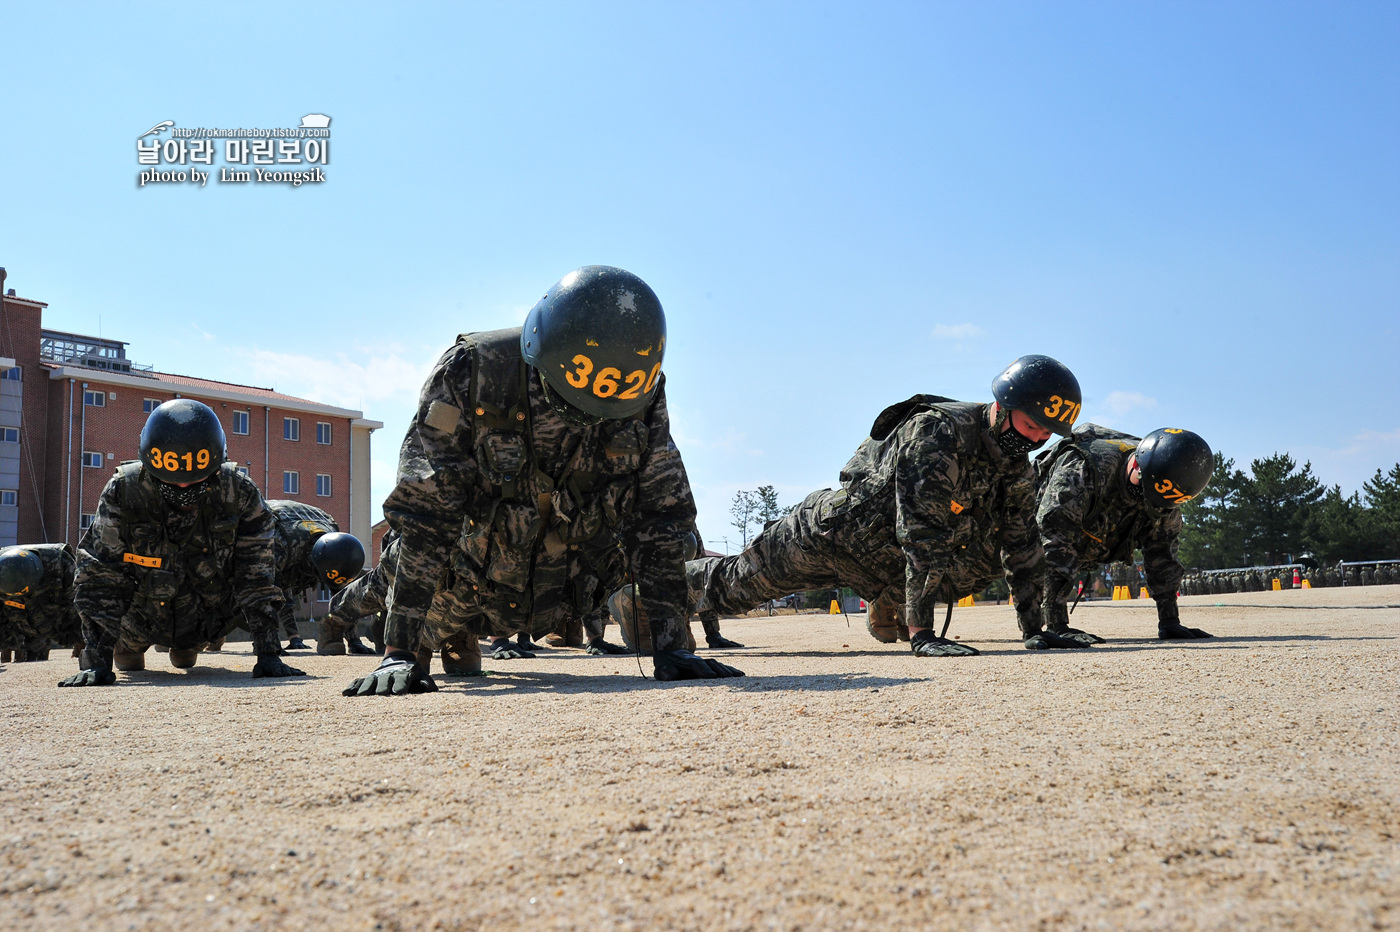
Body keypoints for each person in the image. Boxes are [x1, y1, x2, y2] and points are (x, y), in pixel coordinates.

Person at [344, 266, 743, 696]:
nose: (592, 418)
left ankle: (617, 627)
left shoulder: (638, 388)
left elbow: (660, 515)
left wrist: (672, 647)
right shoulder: (473, 373)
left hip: (567, 590)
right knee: (410, 557)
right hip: (467, 582)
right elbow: (426, 515)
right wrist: (398, 649)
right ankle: (441, 636)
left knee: (676, 540)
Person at [684, 355, 1087, 656]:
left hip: (882, 565)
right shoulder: (938, 431)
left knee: (980, 558)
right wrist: (923, 634)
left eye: (1047, 434)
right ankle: (646, 593)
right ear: (1003, 406)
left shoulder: (1015, 469)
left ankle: (889, 601)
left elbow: (1021, 544)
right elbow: (922, 532)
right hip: (828, 537)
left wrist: (1034, 628)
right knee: (731, 590)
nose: (1036, 440)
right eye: (1032, 426)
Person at [58, 400, 305, 686]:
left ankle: (188, 644)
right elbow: (100, 575)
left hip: (206, 617)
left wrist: (268, 653)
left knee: (185, 657)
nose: (184, 488)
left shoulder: (240, 493)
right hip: (139, 616)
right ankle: (127, 647)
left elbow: (257, 576)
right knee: (129, 662)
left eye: (195, 479)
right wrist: (96, 660)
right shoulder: (123, 491)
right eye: (172, 481)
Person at [1034, 426, 1214, 643]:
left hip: (1089, 542)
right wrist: (1056, 625)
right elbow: (1054, 540)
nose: (1148, 501)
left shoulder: (1165, 488)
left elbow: (1163, 554)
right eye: (1146, 490)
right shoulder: (1082, 470)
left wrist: (1170, 621)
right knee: (983, 570)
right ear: (1136, 465)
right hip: (1017, 537)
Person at [263, 499, 373, 654]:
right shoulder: (280, 545)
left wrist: (354, 641)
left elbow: (343, 598)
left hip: (305, 522)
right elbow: (274, 594)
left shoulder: (338, 548)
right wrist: (278, 643)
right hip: (276, 528)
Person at [0, 544, 83, 667]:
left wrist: (77, 639)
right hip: (19, 616)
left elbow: (78, 605)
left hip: (53, 607)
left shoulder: (63, 565)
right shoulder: (3, 571)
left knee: (79, 620)